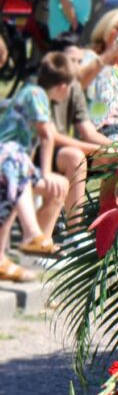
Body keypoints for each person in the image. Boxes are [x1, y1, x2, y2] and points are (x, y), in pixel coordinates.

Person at [0, 52, 90, 266]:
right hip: (8, 163)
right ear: (62, 87)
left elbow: (30, 142)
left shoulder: (34, 93)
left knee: (49, 189)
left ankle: (36, 243)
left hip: (14, 163)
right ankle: (38, 246)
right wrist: (47, 173)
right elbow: (47, 136)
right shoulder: (37, 95)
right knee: (57, 185)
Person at [52, 45, 112, 232]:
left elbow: (88, 131)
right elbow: (52, 137)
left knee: (115, 158)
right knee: (75, 158)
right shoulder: (41, 88)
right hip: (37, 151)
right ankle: (74, 231)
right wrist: (94, 149)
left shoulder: (74, 90)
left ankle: (111, 224)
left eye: (79, 62)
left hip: (60, 149)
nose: (76, 67)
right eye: (71, 61)